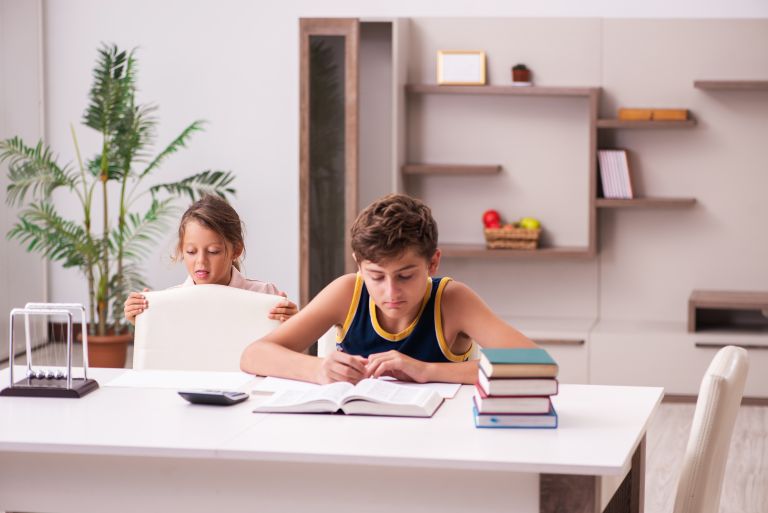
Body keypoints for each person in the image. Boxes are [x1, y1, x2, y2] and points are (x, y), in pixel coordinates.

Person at [240, 193, 536, 385]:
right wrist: (318, 369)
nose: (391, 292)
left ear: (433, 263)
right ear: (359, 265)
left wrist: (426, 370)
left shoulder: (451, 300)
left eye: (405, 276)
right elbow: (254, 355)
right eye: (377, 277)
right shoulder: (347, 292)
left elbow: (534, 363)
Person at [124, 195, 297, 325]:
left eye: (213, 251)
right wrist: (139, 320)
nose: (201, 261)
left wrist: (292, 323)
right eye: (191, 252)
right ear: (181, 251)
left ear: (236, 250)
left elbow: (282, 352)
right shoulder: (169, 301)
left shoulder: (264, 294)